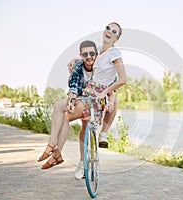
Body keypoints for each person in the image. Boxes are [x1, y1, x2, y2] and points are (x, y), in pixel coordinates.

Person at [71, 22, 127, 179]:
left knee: (112, 106)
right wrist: (75, 61)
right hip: (89, 88)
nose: (109, 31)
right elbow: (89, 65)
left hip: (101, 91)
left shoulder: (115, 52)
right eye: (108, 28)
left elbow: (122, 79)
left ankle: (103, 134)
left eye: (114, 31)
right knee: (84, 126)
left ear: (117, 37)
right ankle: (82, 164)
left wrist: (108, 92)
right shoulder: (99, 52)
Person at [37, 40, 98, 169]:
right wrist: (71, 100)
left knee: (73, 111)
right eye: (85, 54)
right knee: (59, 106)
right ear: (81, 55)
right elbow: (74, 86)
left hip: (95, 102)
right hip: (80, 99)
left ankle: (55, 154)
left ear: (96, 54)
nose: (89, 57)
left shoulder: (101, 66)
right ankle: (52, 144)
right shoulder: (78, 66)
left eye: (92, 53)